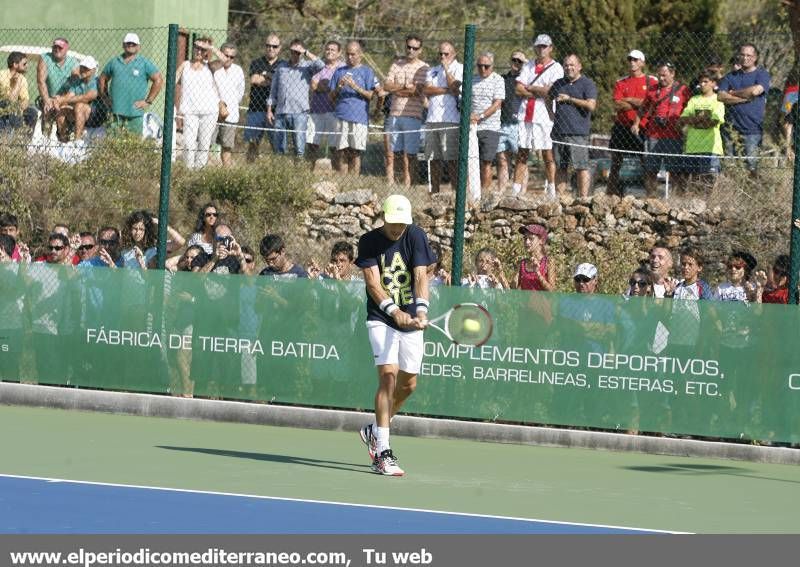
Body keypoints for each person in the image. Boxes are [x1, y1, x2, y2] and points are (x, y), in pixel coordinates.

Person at [355, 194, 434, 476]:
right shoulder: (369, 241)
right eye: (393, 223)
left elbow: (421, 277)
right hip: (380, 318)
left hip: (411, 319)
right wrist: (393, 311)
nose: (398, 228)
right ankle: (382, 454)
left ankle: (375, 429)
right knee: (388, 376)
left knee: (408, 384)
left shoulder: (416, 236)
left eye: (403, 223)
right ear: (384, 218)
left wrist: (421, 310)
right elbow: (373, 285)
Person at [513, 34, 564, 197]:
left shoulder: (556, 68)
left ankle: (551, 188)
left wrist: (530, 87)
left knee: (547, 154)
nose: (541, 49)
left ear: (550, 48)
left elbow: (552, 91)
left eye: (544, 46)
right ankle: (515, 190)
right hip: (525, 114)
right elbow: (518, 89)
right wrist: (540, 90)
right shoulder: (528, 66)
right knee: (522, 153)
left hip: (545, 116)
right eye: (539, 46)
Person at [632, 62, 690, 197]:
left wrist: (685, 125)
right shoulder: (652, 90)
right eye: (659, 75)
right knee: (651, 170)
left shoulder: (683, 90)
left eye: (664, 75)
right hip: (653, 135)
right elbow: (642, 108)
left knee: (675, 171)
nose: (661, 78)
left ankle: (677, 199)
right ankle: (651, 199)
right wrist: (636, 123)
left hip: (674, 136)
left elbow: (690, 109)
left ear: (672, 73)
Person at [717, 43, 770, 176]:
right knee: (729, 168)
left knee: (751, 169)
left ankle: (751, 195)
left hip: (752, 130)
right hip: (730, 130)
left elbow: (756, 91)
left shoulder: (762, 74)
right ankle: (731, 194)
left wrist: (732, 93)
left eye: (749, 55)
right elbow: (721, 96)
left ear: (755, 57)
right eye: (742, 54)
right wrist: (744, 98)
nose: (745, 58)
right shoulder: (730, 76)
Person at [607, 49, 654, 197]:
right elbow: (617, 105)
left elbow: (651, 104)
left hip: (643, 127)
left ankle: (651, 198)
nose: (632, 63)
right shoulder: (621, 82)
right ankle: (610, 196)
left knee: (646, 164)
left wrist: (628, 99)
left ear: (642, 62)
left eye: (635, 60)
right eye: (630, 60)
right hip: (622, 127)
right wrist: (640, 103)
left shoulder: (652, 81)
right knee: (615, 164)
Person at [550, 54, 598, 198]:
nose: (569, 68)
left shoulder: (587, 84)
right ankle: (559, 199)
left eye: (572, 65)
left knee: (581, 167)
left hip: (578, 133)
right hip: (559, 132)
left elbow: (591, 105)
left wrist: (570, 99)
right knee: (560, 167)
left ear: (579, 66)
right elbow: (548, 97)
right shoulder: (558, 83)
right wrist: (550, 114)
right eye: (566, 65)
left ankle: (583, 198)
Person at [384, 35, 429, 187]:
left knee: (410, 155)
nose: (411, 50)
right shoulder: (396, 64)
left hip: (413, 116)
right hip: (394, 115)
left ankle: (409, 184)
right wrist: (404, 88)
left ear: (420, 50)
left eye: (415, 48)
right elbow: (386, 86)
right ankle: (395, 183)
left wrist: (398, 89)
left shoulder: (424, 68)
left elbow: (418, 91)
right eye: (408, 47)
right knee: (394, 153)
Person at [99, 33, 163, 135]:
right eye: (128, 43)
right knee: (113, 144)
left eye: (133, 44)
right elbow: (102, 78)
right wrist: (104, 97)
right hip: (115, 111)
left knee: (134, 144)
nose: (130, 45)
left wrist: (148, 101)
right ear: (123, 45)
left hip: (135, 113)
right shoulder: (114, 62)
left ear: (138, 47)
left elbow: (158, 80)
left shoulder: (144, 63)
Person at [267, 39, 322, 157]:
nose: (295, 54)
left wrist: (305, 52)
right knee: (279, 148)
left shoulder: (307, 66)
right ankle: (279, 170)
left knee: (299, 148)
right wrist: (269, 109)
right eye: (293, 51)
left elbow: (321, 65)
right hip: (281, 111)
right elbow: (273, 90)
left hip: (300, 112)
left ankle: (298, 172)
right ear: (290, 51)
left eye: (298, 52)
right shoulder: (281, 68)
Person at [330, 41, 379, 175]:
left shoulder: (367, 71)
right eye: (348, 54)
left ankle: (354, 182)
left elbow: (371, 95)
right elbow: (330, 97)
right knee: (341, 151)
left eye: (353, 54)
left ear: (360, 54)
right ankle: (343, 181)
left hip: (359, 117)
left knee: (355, 152)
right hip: (341, 116)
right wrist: (338, 88)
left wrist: (354, 86)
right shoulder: (339, 71)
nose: (350, 57)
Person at [176, 38, 224, 169]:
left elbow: (225, 60)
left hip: (209, 111)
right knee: (188, 143)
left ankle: (199, 170)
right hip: (190, 111)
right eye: (197, 47)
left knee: (204, 143)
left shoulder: (210, 66)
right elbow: (173, 80)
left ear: (206, 52)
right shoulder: (185, 65)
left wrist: (211, 47)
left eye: (202, 49)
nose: (199, 51)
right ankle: (188, 169)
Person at [423, 42, 463, 193]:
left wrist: (446, 69)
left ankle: (455, 192)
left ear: (454, 53)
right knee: (434, 159)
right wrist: (447, 90)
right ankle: (435, 191)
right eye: (440, 53)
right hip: (432, 119)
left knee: (452, 159)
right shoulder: (432, 70)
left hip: (451, 120)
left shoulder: (460, 68)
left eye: (446, 54)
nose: (442, 57)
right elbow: (426, 89)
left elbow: (455, 86)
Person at [245, 33, 286, 161]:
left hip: (275, 111)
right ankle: (250, 171)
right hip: (256, 109)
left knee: (276, 145)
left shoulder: (284, 65)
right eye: (268, 46)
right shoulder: (257, 62)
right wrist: (273, 78)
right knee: (253, 143)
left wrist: (265, 76)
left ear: (279, 48)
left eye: (274, 46)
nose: (271, 49)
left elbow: (282, 84)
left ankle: (276, 173)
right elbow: (254, 79)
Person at [677, 72, 725, 183]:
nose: (702, 84)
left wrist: (693, 120)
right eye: (701, 82)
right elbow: (683, 119)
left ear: (713, 83)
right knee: (694, 181)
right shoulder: (694, 100)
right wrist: (702, 119)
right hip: (692, 147)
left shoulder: (718, 100)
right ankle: (695, 201)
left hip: (711, 148)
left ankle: (709, 201)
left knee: (709, 181)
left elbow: (713, 122)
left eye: (706, 82)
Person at [469, 52, 505, 196]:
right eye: (479, 66)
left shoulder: (498, 80)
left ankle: (485, 193)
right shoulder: (471, 79)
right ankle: (471, 193)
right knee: (471, 162)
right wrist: (470, 116)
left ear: (492, 66)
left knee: (486, 162)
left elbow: (497, 103)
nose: (483, 69)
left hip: (490, 127)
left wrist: (480, 116)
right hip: (472, 127)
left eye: (486, 66)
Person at [307, 41, 344, 168]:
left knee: (335, 144)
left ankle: (335, 168)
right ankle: (311, 166)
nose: (329, 52)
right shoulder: (320, 67)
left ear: (339, 52)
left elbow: (340, 87)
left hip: (334, 110)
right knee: (312, 142)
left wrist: (323, 86)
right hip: (317, 108)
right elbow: (313, 85)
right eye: (327, 49)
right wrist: (330, 87)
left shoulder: (342, 68)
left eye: (333, 50)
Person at [53, 56, 106, 144]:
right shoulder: (78, 82)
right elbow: (69, 96)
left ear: (93, 70)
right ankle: (63, 140)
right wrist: (59, 100)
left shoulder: (96, 81)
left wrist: (62, 100)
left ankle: (77, 141)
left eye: (86, 68)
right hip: (79, 113)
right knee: (62, 109)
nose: (83, 70)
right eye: (82, 67)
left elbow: (87, 98)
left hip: (95, 116)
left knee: (80, 106)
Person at [497, 51, 526, 192]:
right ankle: (502, 192)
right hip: (502, 123)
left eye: (520, 61)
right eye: (514, 59)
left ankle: (522, 193)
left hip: (519, 124)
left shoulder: (526, 80)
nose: (516, 63)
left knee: (521, 160)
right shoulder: (501, 79)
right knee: (502, 160)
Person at [36, 37, 79, 134]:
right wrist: (47, 100)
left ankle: (63, 140)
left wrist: (61, 99)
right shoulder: (45, 58)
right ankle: (45, 141)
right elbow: (41, 81)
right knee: (47, 112)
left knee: (61, 115)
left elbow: (76, 84)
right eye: (55, 47)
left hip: (65, 99)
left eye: (60, 48)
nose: (57, 49)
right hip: (48, 97)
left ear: (66, 49)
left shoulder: (73, 62)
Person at [213, 42, 245, 167]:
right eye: (226, 55)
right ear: (221, 54)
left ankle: (226, 176)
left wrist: (229, 105)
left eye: (232, 57)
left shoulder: (238, 71)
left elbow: (240, 93)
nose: (228, 59)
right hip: (212, 114)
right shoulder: (214, 69)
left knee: (226, 148)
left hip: (230, 116)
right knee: (206, 145)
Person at [0, 51, 37, 132]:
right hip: (2, 107)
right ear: (15, 64)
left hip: (15, 109)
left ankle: (24, 141)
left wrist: (20, 108)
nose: (27, 66)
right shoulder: (1, 76)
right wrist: (17, 83)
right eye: (24, 64)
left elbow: (25, 100)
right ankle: (5, 137)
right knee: (7, 104)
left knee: (32, 111)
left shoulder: (23, 79)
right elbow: (10, 100)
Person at [515, 223, 556, 291]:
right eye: (525, 238)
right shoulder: (522, 263)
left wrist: (538, 273)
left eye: (531, 238)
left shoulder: (548, 262)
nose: (527, 242)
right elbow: (513, 288)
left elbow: (552, 290)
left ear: (541, 240)